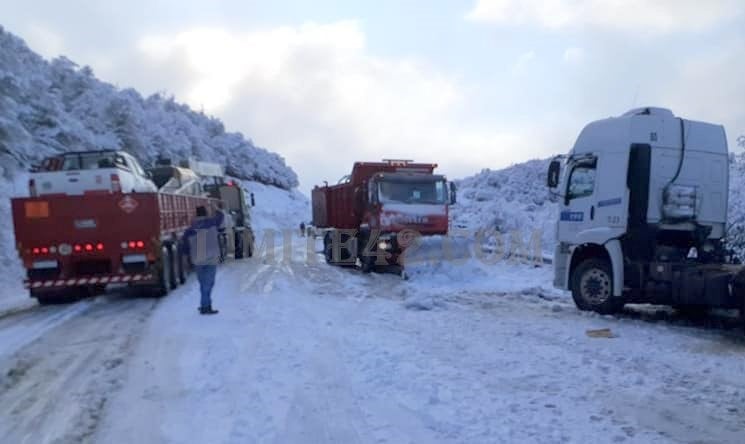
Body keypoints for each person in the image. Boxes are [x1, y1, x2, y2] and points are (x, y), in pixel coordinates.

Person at [182, 203, 224, 315]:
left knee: (203, 284)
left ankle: (204, 304)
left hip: (198, 260)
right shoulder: (212, 223)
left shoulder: (190, 230)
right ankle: (206, 307)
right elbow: (221, 216)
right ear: (206, 214)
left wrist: (186, 260)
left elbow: (185, 247)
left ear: (196, 215)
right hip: (211, 258)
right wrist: (215, 208)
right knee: (208, 284)